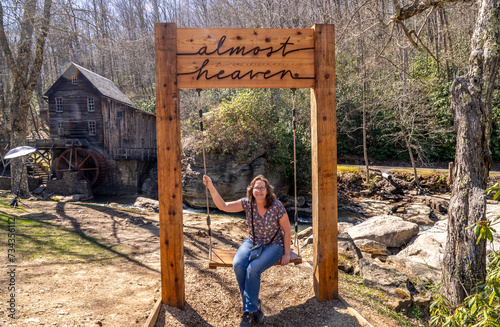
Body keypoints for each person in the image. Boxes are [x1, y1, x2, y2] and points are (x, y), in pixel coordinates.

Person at [203, 174, 291, 327]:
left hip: (274, 245)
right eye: (256, 188)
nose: (259, 191)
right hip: (252, 241)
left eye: (262, 188)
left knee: (253, 268)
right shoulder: (247, 203)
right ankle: (254, 304)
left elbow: (287, 230)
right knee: (238, 264)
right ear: (252, 190)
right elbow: (223, 206)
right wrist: (211, 186)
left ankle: (249, 312)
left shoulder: (276, 206)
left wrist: (287, 253)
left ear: (267, 190)